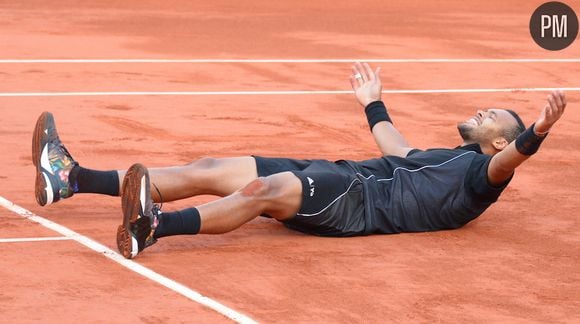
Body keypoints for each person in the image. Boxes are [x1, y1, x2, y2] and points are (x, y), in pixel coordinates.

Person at [32, 62, 567, 259]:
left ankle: (154, 227)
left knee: (260, 193)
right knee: (212, 166)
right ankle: (71, 178)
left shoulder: (483, 176)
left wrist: (538, 132)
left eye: (492, 114)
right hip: (341, 172)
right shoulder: (448, 158)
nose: (481, 111)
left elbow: (509, 164)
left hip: (358, 204)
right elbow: (398, 150)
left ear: (502, 141)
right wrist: (372, 103)